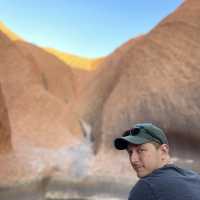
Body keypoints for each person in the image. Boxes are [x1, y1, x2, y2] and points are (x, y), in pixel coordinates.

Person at [113, 123, 200, 200]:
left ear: (163, 151)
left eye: (141, 150)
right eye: (130, 152)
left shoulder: (147, 187)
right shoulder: (194, 178)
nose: (133, 159)